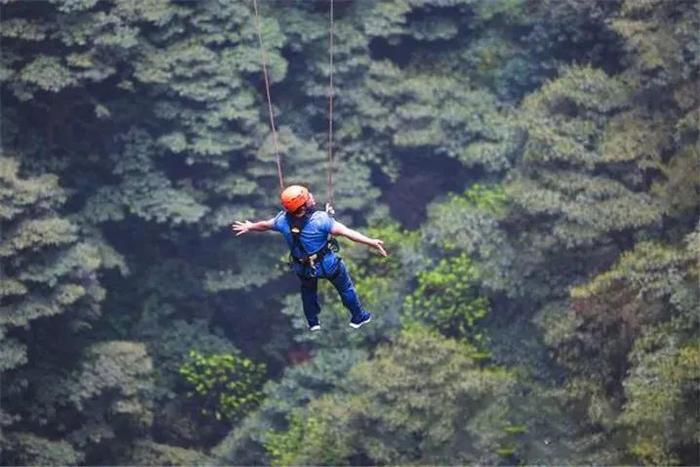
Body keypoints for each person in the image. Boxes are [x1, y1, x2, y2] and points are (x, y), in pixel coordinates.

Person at [232, 185, 387, 331]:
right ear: (303, 206)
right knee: (345, 288)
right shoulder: (321, 220)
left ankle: (313, 322)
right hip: (327, 265)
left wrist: (250, 226)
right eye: (308, 197)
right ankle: (358, 317)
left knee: (308, 291)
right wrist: (371, 242)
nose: (311, 197)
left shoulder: (282, 221)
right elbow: (347, 233)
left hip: (303, 267)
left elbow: (265, 225)